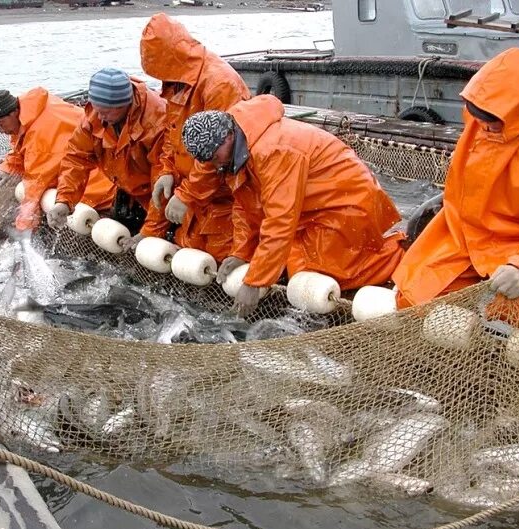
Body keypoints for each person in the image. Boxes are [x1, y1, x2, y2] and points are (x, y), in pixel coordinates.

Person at [181, 96, 406, 317]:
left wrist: (254, 282)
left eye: (212, 154)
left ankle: (401, 259)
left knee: (330, 271)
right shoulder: (235, 153)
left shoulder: (272, 151)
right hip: (310, 206)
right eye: (205, 159)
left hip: (346, 200)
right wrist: (241, 253)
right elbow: (245, 205)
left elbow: (280, 220)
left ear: (228, 136)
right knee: (297, 267)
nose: (212, 162)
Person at [393, 47, 519, 308]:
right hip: (462, 239)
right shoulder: (478, 121)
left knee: (517, 314)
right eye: (477, 114)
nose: (481, 123)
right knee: (411, 299)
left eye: (492, 120)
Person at [140, 13, 250, 260]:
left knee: (223, 260)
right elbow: (172, 134)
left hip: (224, 197)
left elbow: (221, 152)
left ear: (170, 59)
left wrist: (187, 195)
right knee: (188, 249)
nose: (160, 78)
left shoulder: (220, 84)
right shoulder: (176, 82)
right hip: (195, 195)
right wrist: (167, 170)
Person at [47, 68, 170, 247]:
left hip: (159, 195)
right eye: (97, 108)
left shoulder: (157, 122)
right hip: (127, 189)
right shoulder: (94, 116)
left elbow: (164, 180)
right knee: (121, 238)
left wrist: (150, 231)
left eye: (106, 111)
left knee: (157, 246)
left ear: (124, 105)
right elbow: (76, 160)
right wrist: (64, 201)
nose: (100, 115)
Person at [0, 87, 115, 231]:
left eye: (0, 124)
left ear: (13, 112)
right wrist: (8, 167)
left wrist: (24, 224)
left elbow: (38, 181)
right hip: (92, 158)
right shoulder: (30, 112)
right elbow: (21, 144)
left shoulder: (40, 135)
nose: (1, 131)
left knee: (75, 199)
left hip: (104, 178)